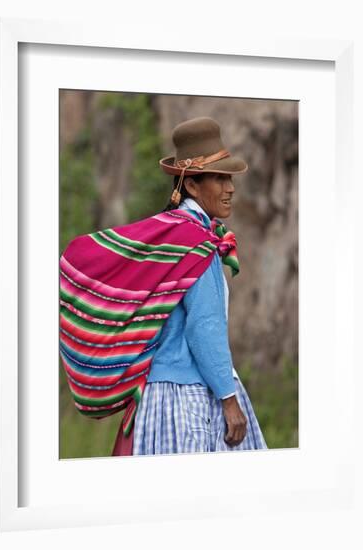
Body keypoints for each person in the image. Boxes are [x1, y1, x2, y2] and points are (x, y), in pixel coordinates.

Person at [131, 116, 268, 455]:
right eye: (220, 178)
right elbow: (204, 327)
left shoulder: (168, 237)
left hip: (157, 396)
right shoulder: (197, 243)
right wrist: (228, 398)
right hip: (191, 399)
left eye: (230, 178)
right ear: (191, 186)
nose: (230, 188)